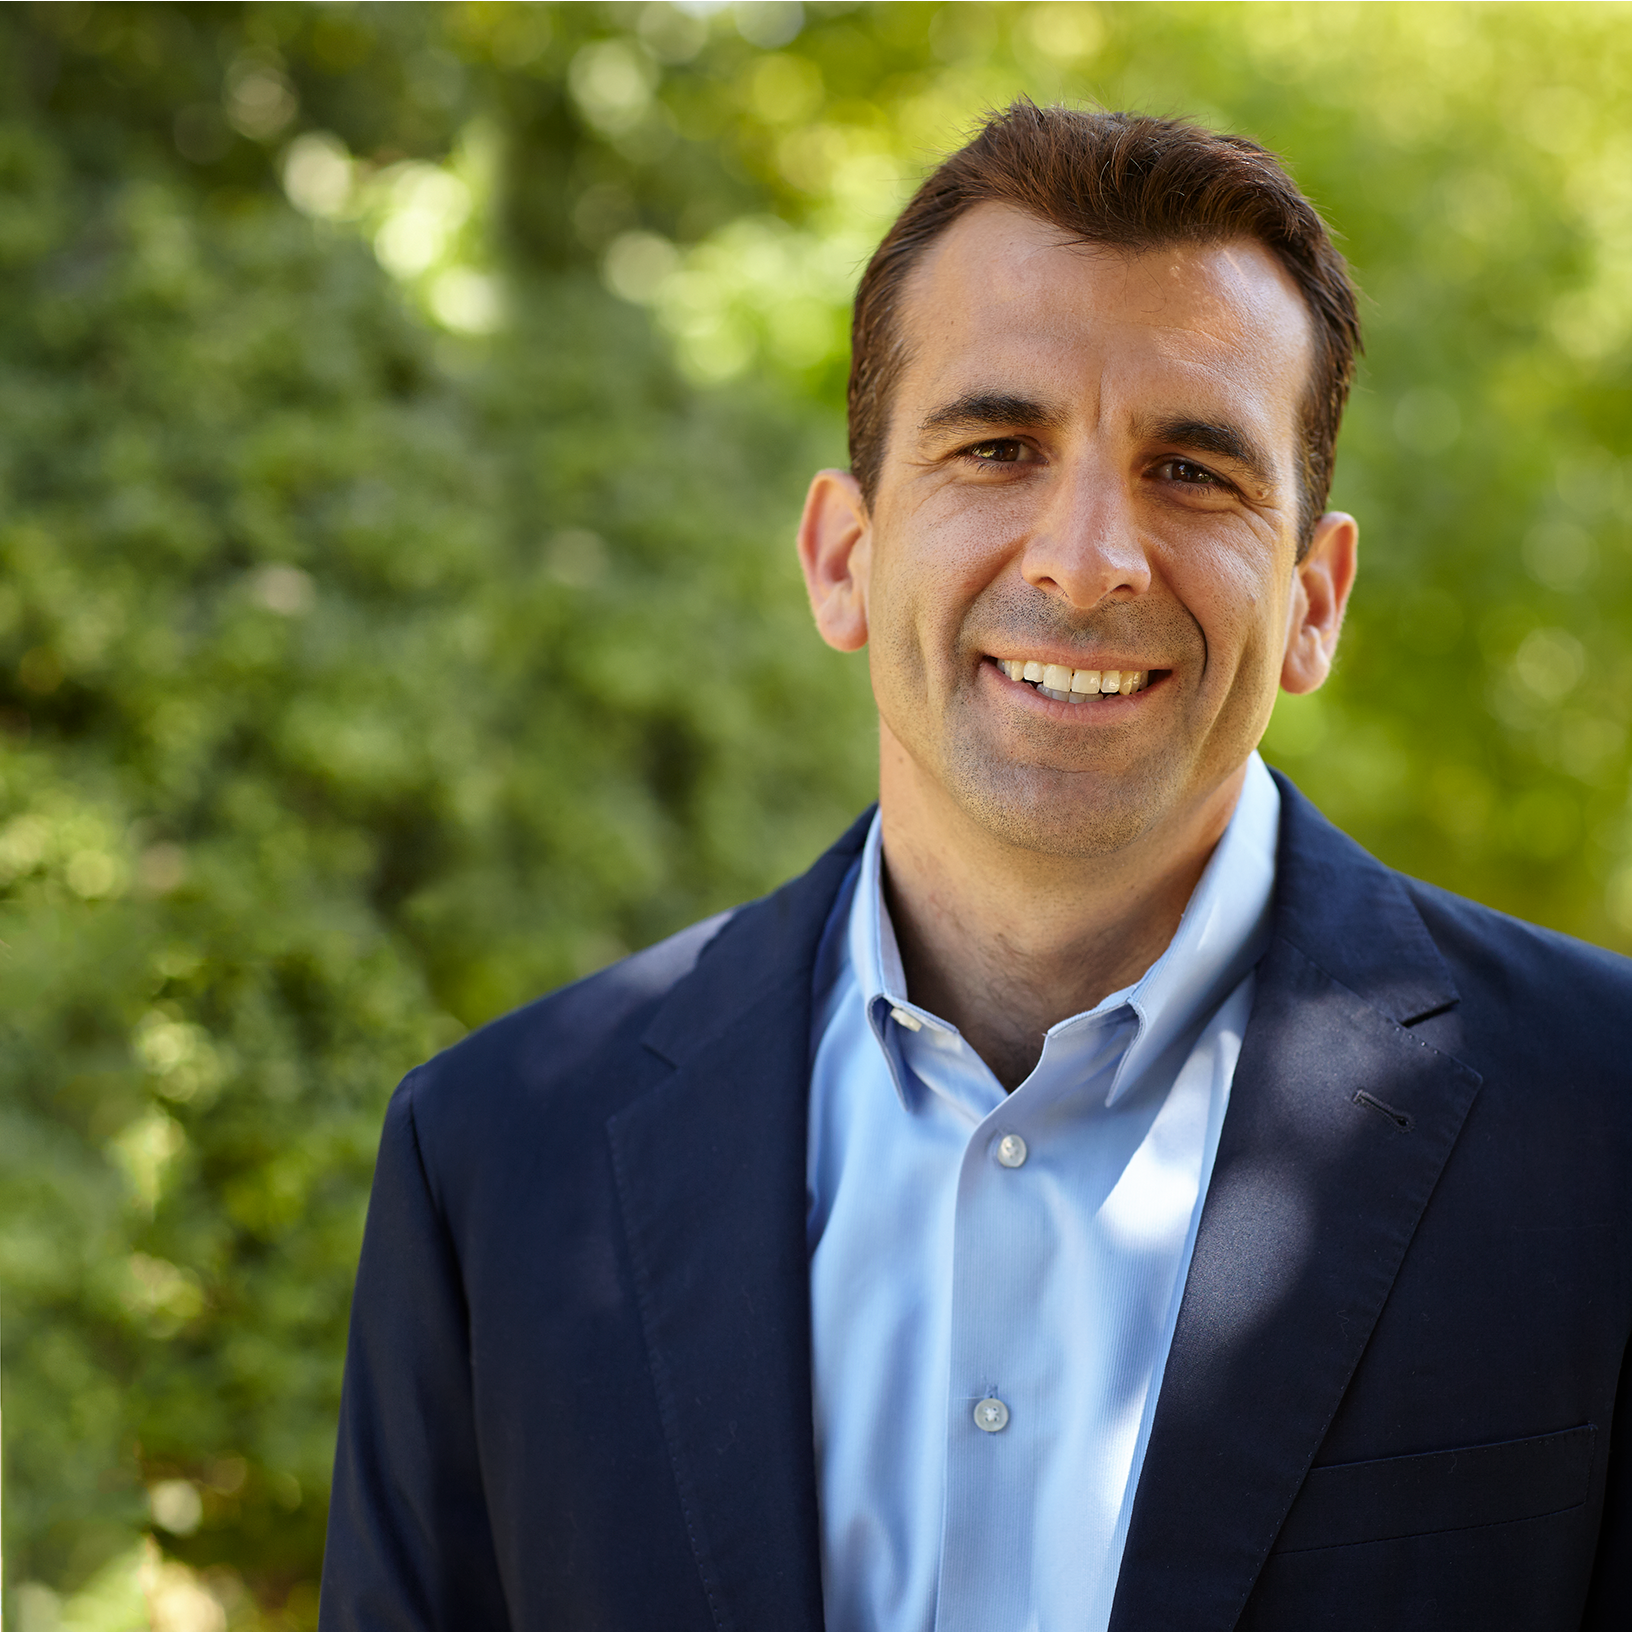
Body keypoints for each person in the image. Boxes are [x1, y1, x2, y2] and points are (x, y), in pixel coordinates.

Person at [318, 103, 1632, 1631]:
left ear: (1317, 599)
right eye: (998, 449)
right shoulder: (499, 1159)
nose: (1088, 558)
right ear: (842, 557)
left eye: (1196, 471)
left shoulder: (1605, 1124)